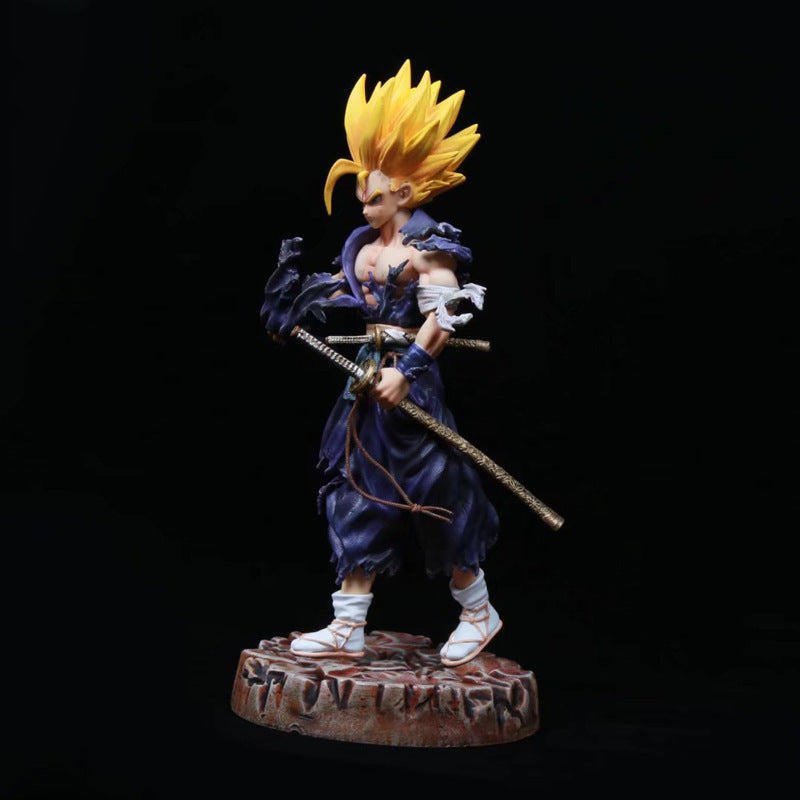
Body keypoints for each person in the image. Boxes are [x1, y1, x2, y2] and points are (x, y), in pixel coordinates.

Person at [262, 61, 501, 667]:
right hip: (365, 384)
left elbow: (446, 315)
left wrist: (408, 370)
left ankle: (478, 610)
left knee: (436, 490)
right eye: (360, 196)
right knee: (353, 488)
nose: (363, 206)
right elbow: (348, 297)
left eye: (372, 197)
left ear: (405, 194)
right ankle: (348, 624)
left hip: (408, 385)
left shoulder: (428, 249)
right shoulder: (364, 249)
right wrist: (296, 305)